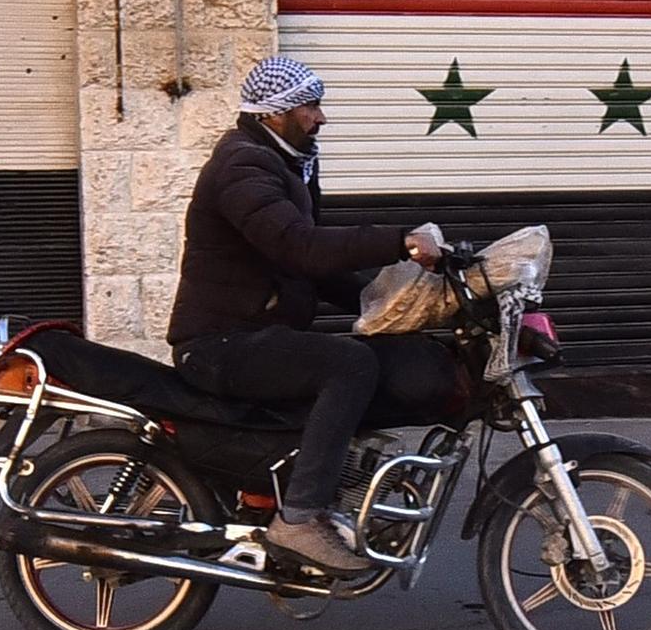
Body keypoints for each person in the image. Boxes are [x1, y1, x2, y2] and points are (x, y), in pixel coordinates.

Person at [166, 57, 448, 573]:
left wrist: (388, 304)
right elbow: (300, 248)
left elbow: (306, 271)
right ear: (275, 114)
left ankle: (334, 489)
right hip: (219, 344)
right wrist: (399, 242)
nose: (320, 118)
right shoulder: (243, 166)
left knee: (370, 355)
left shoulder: (284, 165)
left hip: (255, 335)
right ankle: (298, 520)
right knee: (349, 364)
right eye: (309, 107)